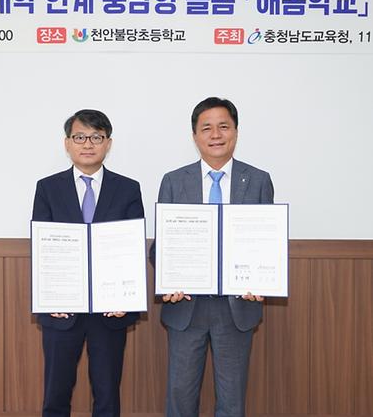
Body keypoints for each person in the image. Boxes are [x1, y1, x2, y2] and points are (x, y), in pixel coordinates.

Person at [152, 97, 274, 417]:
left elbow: (266, 241)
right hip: (186, 305)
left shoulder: (258, 180)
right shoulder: (173, 181)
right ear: (195, 136)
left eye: (224, 126)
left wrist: (262, 279)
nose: (216, 134)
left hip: (236, 306)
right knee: (180, 397)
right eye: (206, 128)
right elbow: (161, 245)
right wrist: (167, 277)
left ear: (236, 132)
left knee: (232, 399)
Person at [32, 109, 144, 417]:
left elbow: (132, 248)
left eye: (96, 137)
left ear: (108, 143)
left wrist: (125, 297)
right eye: (80, 137)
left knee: (107, 395)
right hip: (61, 308)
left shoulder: (128, 189)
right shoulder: (48, 188)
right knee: (56, 394)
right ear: (67, 143)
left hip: (110, 309)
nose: (88, 144)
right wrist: (49, 297)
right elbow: (43, 247)